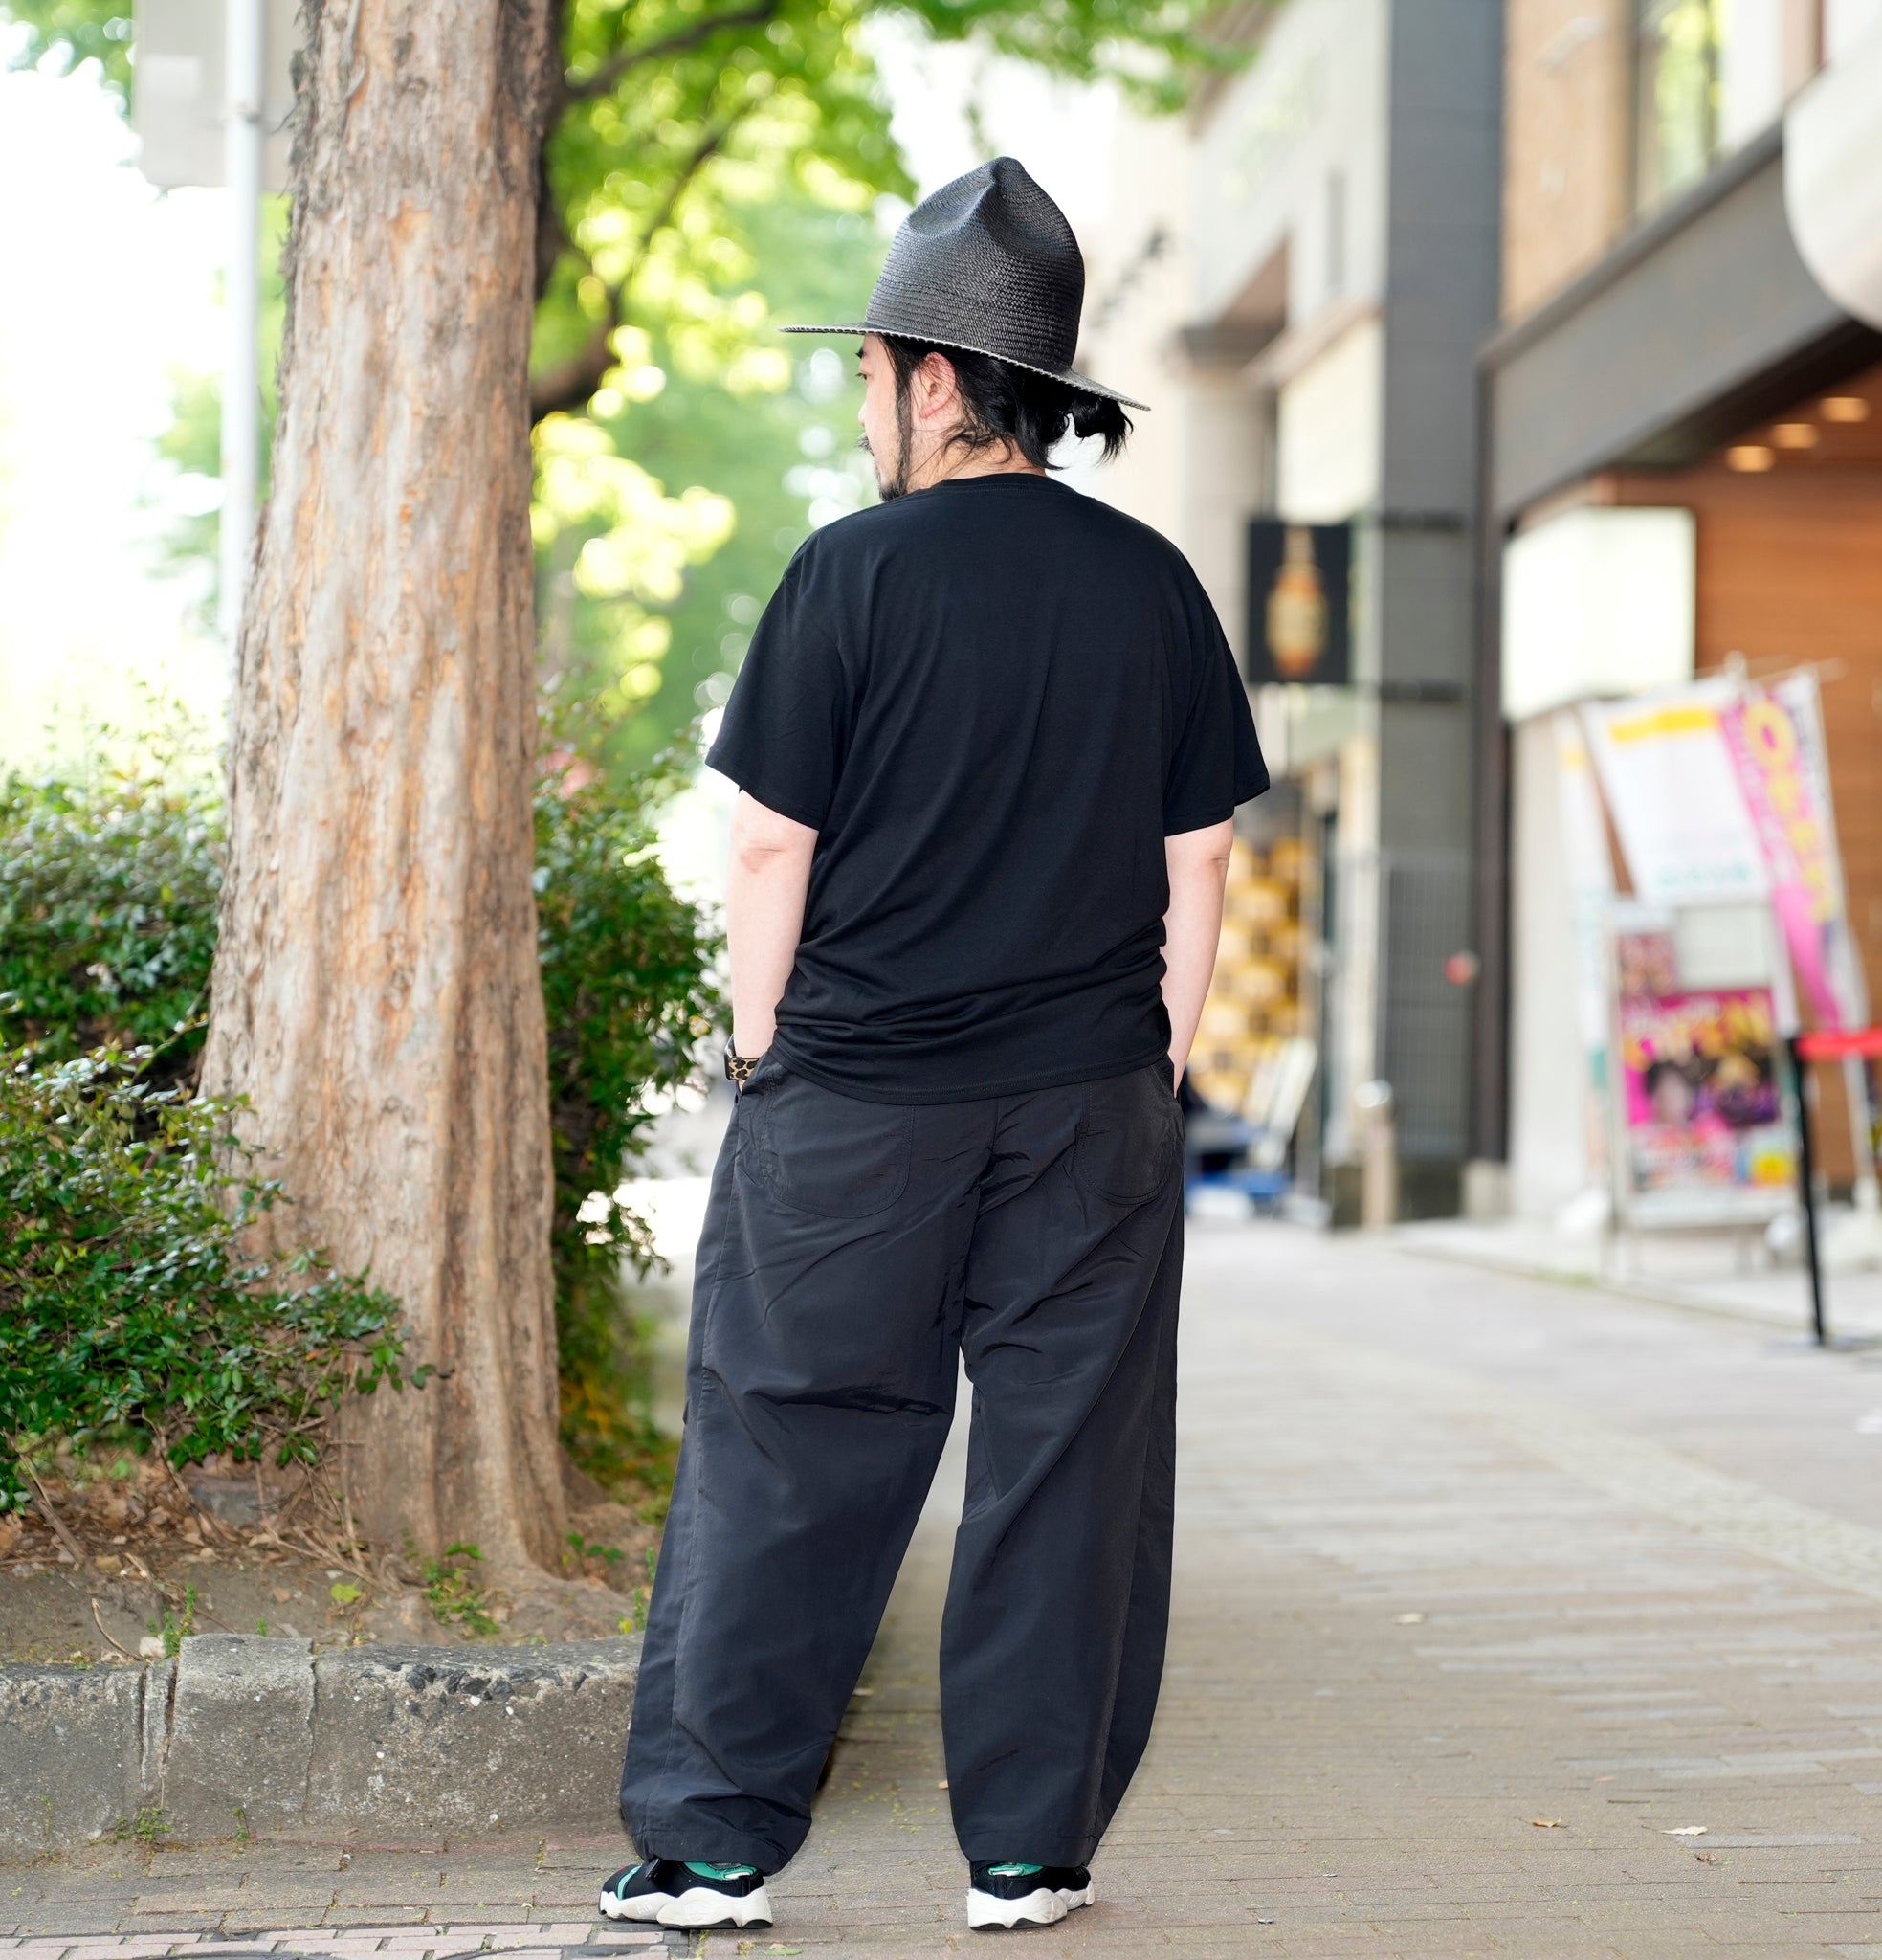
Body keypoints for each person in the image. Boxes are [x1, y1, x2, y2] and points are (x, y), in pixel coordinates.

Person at [600, 156, 1269, 1937]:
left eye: (872, 371)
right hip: (1089, 1106)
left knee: (791, 1449)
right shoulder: (1152, 586)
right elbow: (1200, 857)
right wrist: (1165, 1055)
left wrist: (761, 1052)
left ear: (938, 380)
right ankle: (1029, 1854)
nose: (863, 406)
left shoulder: (849, 577)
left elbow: (766, 843)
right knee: (1069, 1468)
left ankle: (715, 1850)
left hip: (855, 1109)